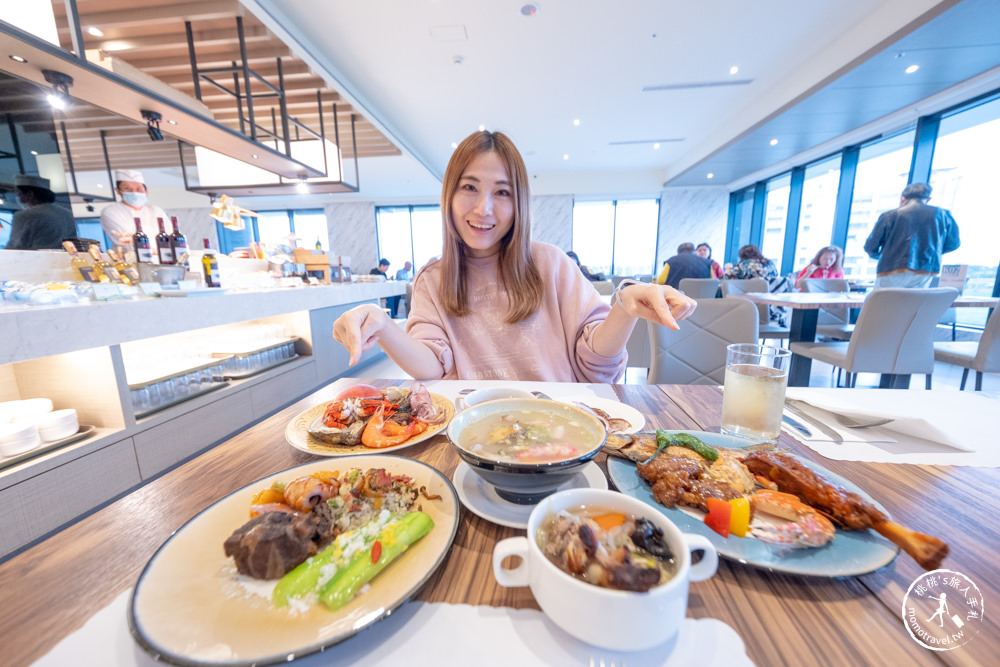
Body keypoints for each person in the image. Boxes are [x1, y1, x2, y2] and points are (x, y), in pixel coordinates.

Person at [332, 129, 697, 382]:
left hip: (559, 430)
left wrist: (624, 308)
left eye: (502, 192)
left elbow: (596, 366)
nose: (483, 208)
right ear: (449, 195)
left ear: (519, 201)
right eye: (469, 187)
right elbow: (433, 366)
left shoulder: (552, 264)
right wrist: (382, 325)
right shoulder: (432, 279)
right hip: (472, 437)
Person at [863, 182, 960, 289]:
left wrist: (883, 256)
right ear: (928, 199)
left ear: (903, 198)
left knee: (884, 303)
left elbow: (871, 246)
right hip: (926, 269)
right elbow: (954, 243)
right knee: (914, 304)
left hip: (891, 269)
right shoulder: (943, 215)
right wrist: (930, 253)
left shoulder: (890, 215)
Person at [99, 169, 168, 248]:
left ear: (146, 191)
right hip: (130, 259)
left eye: (139, 189)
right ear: (118, 191)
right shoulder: (110, 211)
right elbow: (126, 241)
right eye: (127, 189)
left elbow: (170, 238)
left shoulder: (156, 210)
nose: (134, 192)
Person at [724, 244, 791, 326]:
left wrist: (727, 269)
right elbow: (776, 276)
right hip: (774, 307)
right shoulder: (769, 264)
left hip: (750, 308)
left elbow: (725, 279)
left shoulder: (743, 264)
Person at [5, 175, 76, 250]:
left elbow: (15, 245)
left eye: (19, 194)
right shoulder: (68, 214)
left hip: (35, 259)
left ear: (29, 194)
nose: (19, 199)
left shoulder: (24, 216)